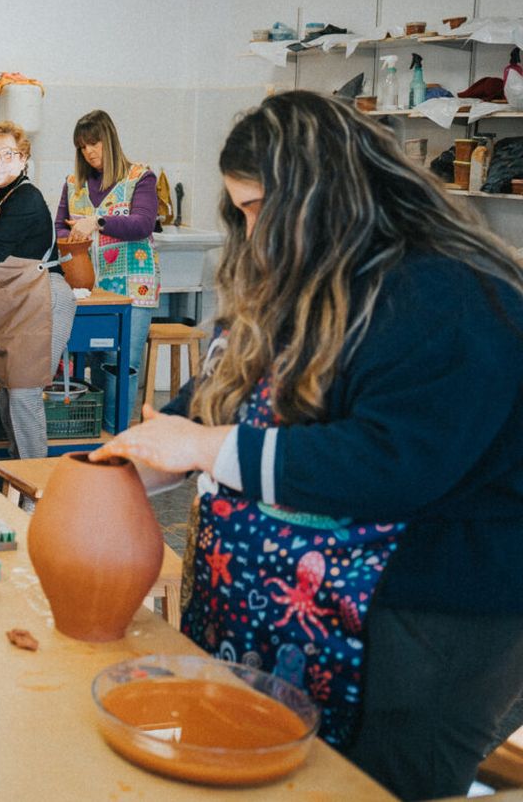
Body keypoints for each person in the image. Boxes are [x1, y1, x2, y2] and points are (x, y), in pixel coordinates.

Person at [96, 92, 523, 802]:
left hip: (426, 622)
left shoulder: (448, 293)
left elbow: (389, 463)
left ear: (325, 192)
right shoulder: (306, 280)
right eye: (240, 212)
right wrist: (139, 458)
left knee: (371, 784)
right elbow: (221, 397)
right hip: (309, 612)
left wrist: (206, 447)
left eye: (260, 206)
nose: (251, 230)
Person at [0, 121, 77, 461]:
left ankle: (36, 489)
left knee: (23, 395)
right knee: (8, 394)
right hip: (16, 300)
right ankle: (19, 479)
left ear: (24, 160)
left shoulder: (27, 199)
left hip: (44, 299)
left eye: (9, 154)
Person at [55, 109, 158, 431]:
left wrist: (98, 222)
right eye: (83, 146)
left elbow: (142, 224)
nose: (89, 152)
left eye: (94, 143)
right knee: (96, 357)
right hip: (89, 288)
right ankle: (95, 433)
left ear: (109, 141)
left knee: (121, 363)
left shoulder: (140, 177)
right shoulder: (74, 184)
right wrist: (69, 238)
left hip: (132, 285)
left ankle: (117, 436)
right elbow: (59, 226)